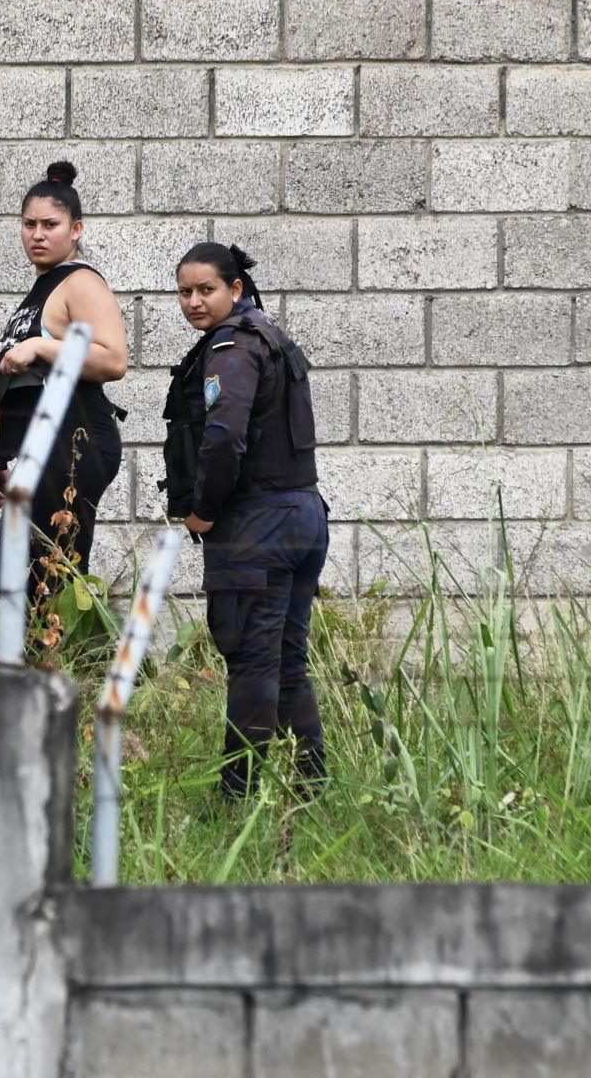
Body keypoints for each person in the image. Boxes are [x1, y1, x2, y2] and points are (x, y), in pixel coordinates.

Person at [162, 241, 329, 800]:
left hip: (258, 523)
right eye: (184, 292)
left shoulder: (232, 347)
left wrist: (204, 512)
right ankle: (313, 788)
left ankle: (237, 796)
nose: (193, 302)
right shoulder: (272, 337)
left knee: (253, 658)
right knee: (286, 660)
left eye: (205, 289)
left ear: (235, 289)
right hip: (303, 514)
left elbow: (223, 438)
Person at [0, 162, 128, 581]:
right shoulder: (45, 284)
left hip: (75, 437)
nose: (37, 234)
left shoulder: (81, 282)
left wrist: (38, 345)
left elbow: (113, 360)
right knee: (17, 578)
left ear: (76, 229)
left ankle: (72, 649)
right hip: (40, 444)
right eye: (28, 224)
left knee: (51, 580)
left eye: (50, 224)